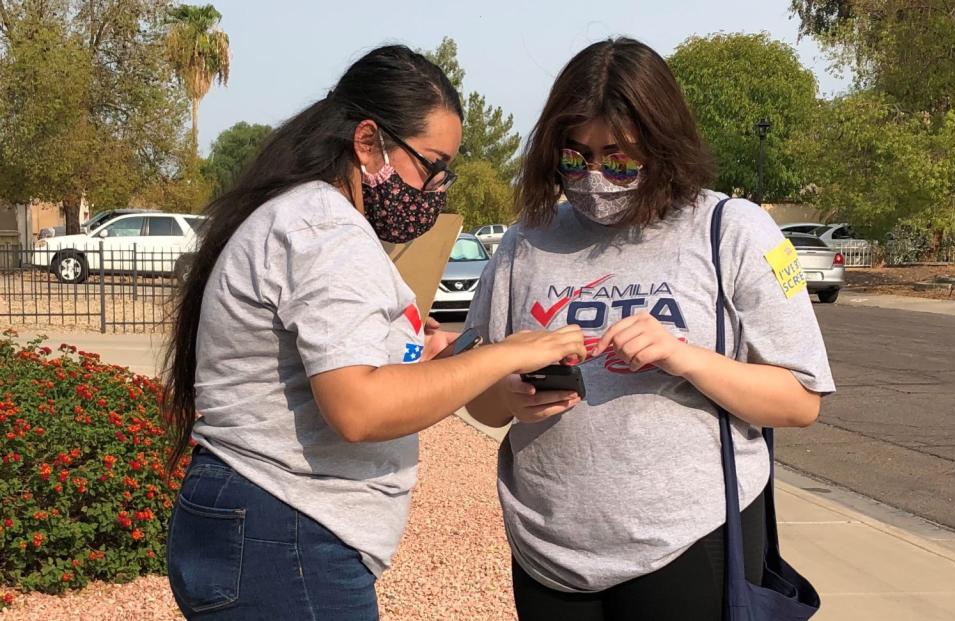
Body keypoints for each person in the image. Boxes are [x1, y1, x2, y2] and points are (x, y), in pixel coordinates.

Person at [162, 45, 586, 621]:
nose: (437, 187)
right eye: (430, 164)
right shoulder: (328, 231)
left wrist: (433, 358)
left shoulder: (301, 213)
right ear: (368, 143)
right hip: (286, 529)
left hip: (259, 521)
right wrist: (505, 353)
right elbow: (359, 408)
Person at [465, 38, 835, 621]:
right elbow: (482, 404)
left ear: (664, 148)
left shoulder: (730, 231)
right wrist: (506, 391)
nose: (594, 178)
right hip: (545, 545)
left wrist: (684, 357)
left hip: (686, 540)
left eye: (618, 159)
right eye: (574, 157)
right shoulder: (525, 241)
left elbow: (800, 401)